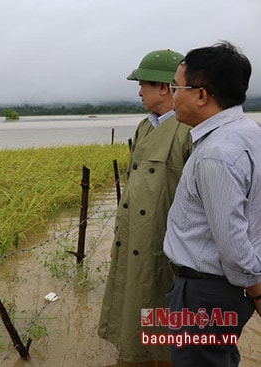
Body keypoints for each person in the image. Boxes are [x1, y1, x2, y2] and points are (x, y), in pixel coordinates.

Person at [163, 41, 260, 366]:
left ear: (201, 94)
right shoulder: (249, 133)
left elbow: (232, 241)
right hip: (220, 291)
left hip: (205, 294)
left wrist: (257, 291)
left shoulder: (217, 153)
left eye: (176, 87)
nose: (171, 95)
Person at [98, 49, 192, 366]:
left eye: (143, 84)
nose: (139, 92)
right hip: (132, 241)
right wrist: (117, 238)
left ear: (164, 87)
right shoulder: (144, 126)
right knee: (132, 312)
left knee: (164, 322)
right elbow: (131, 188)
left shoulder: (188, 131)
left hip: (164, 248)